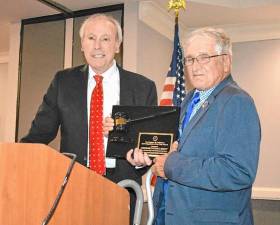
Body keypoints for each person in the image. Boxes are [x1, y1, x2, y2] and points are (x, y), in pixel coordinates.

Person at [20, 13, 157, 224]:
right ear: (82, 45)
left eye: (105, 39)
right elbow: (39, 134)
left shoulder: (142, 87)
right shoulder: (63, 82)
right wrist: (15, 159)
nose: (97, 46)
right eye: (91, 38)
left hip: (121, 186)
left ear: (117, 45)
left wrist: (140, 159)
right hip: (72, 183)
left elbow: (147, 145)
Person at [127, 27, 261, 225]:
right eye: (190, 59)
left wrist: (171, 165)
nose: (195, 67)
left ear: (225, 61)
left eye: (204, 57)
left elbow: (237, 171)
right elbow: (176, 150)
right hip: (169, 214)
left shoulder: (237, 101)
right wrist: (146, 157)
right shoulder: (190, 99)